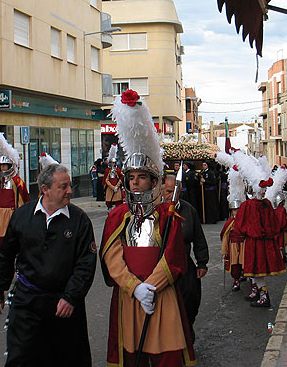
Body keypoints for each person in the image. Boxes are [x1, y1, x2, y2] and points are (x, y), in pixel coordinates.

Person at [100, 90, 195, 366]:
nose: (135, 183)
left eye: (142, 177)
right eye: (131, 177)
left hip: (161, 296)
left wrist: (150, 287)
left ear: (154, 182)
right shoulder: (118, 216)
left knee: (167, 356)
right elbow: (112, 257)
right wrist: (134, 287)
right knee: (132, 357)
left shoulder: (168, 215)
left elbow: (174, 258)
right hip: (129, 298)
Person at [0, 163, 96, 366]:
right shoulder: (22, 216)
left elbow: (85, 264)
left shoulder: (79, 220)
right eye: (63, 187)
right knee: (21, 356)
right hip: (27, 301)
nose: (70, 191)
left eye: (70, 185)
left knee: (67, 357)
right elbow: (6, 255)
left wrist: (71, 297)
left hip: (63, 303)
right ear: (45, 189)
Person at [231, 151, 287, 307]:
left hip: (254, 242)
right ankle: (257, 292)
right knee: (256, 269)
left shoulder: (248, 205)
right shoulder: (266, 204)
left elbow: (240, 224)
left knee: (256, 269)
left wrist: (241, 234)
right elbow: (274, 225)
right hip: (265, 242)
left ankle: (264, 295)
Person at [162, 174, 209, 340]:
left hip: (184, 263)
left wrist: (202, 263)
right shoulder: (156, 210)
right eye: (168, 192)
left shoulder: (188, 209)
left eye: (175, 191)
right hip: (161, 266)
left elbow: (198, 237)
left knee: (191, 298)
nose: (171, 196)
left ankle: (187, 332)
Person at [0, 131, 30, 252]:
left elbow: (23, 200)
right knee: (2, 243)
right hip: (0, 215)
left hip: (13, 214)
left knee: (15, 242)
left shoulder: (17, 181)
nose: (3, 168)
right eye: (1, 166)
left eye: (5, 166)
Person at [103, 144, 124, 211]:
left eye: (114, 163)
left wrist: (117, 186)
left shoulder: (118, 170)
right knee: (109, 202)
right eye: (112, 163)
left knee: (118, 202)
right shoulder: (107, 170)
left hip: (117, 189)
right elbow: (106, 180)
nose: (113, 164)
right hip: (110, 189)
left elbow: (121, 178)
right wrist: (112, 187)